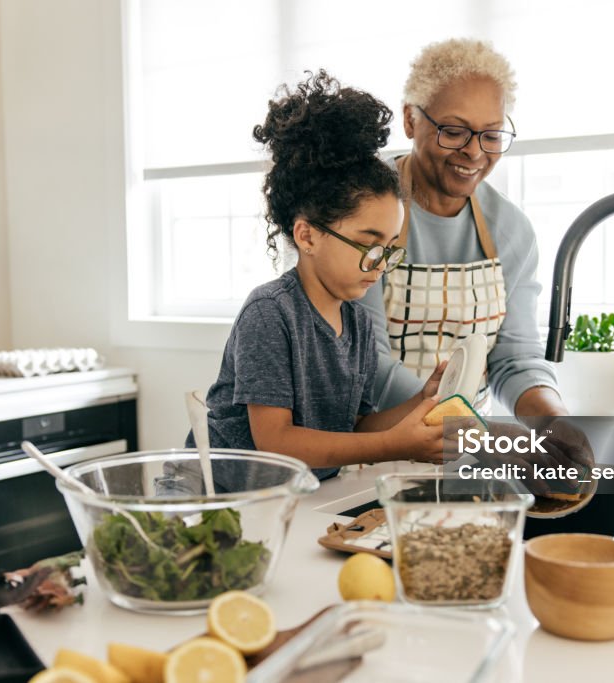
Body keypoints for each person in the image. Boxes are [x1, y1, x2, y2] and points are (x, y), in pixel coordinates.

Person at [186, 70, 451, 484]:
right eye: (368, 245)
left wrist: (423, 400)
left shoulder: (359, 325)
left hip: (291, 497)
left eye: (389, 248)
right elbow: (278, 443)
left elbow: (356, 428)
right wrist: (396, 446)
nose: (380, 264)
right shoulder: (270, 313)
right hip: (215, 496)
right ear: (307, 235)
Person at [358, 38, 567, 421]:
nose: (474, 153)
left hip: (462, 450)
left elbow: (515, 360)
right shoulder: (362, 210)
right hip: (371, 444)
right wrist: (467, 426)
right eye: (454, 131)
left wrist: (555, 422)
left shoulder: (511, 230)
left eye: (491, 135)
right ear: (410, 119)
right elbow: (365, 362)